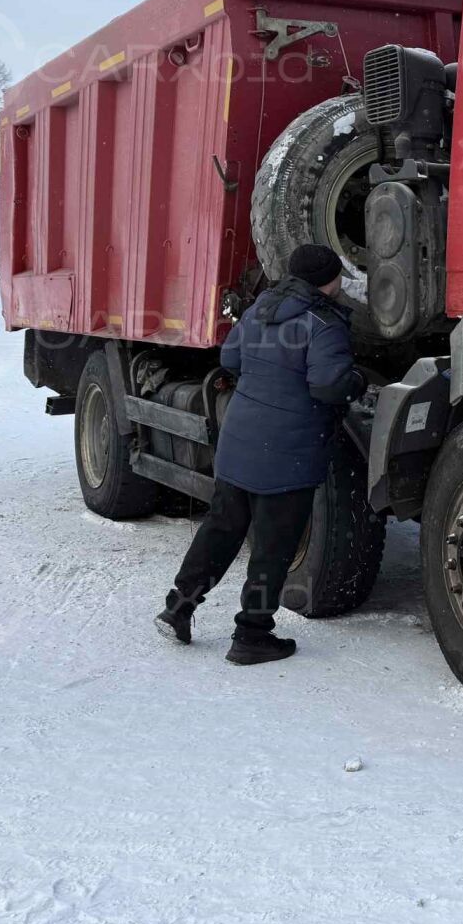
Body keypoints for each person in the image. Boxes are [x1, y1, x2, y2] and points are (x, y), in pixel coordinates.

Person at [155, 244, 367, 665]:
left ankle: (178, 607)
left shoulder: (260, 309)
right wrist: (357, 380)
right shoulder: (322, 323)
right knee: (273, 545)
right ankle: (252, 634)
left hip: (240, 442)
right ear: (328, 281)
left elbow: (230, 357)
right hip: (286, 452)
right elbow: (328, 385)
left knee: (221, 529)